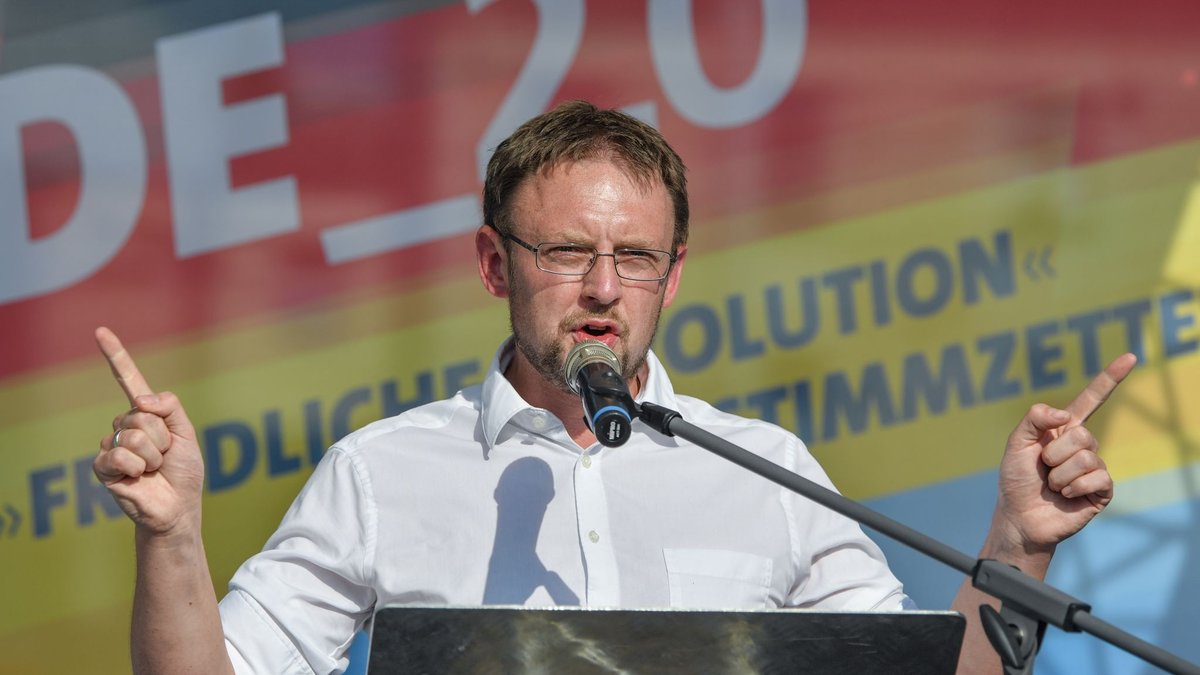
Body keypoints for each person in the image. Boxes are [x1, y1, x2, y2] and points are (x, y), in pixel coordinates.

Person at [93, 100, 1134, 675]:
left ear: (674, 275)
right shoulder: (382, 472)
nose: (601, 290)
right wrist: (171, 534)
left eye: (634, 257)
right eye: (564, 252)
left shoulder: (766, 471)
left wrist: (1018, 543)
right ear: (495, 265)